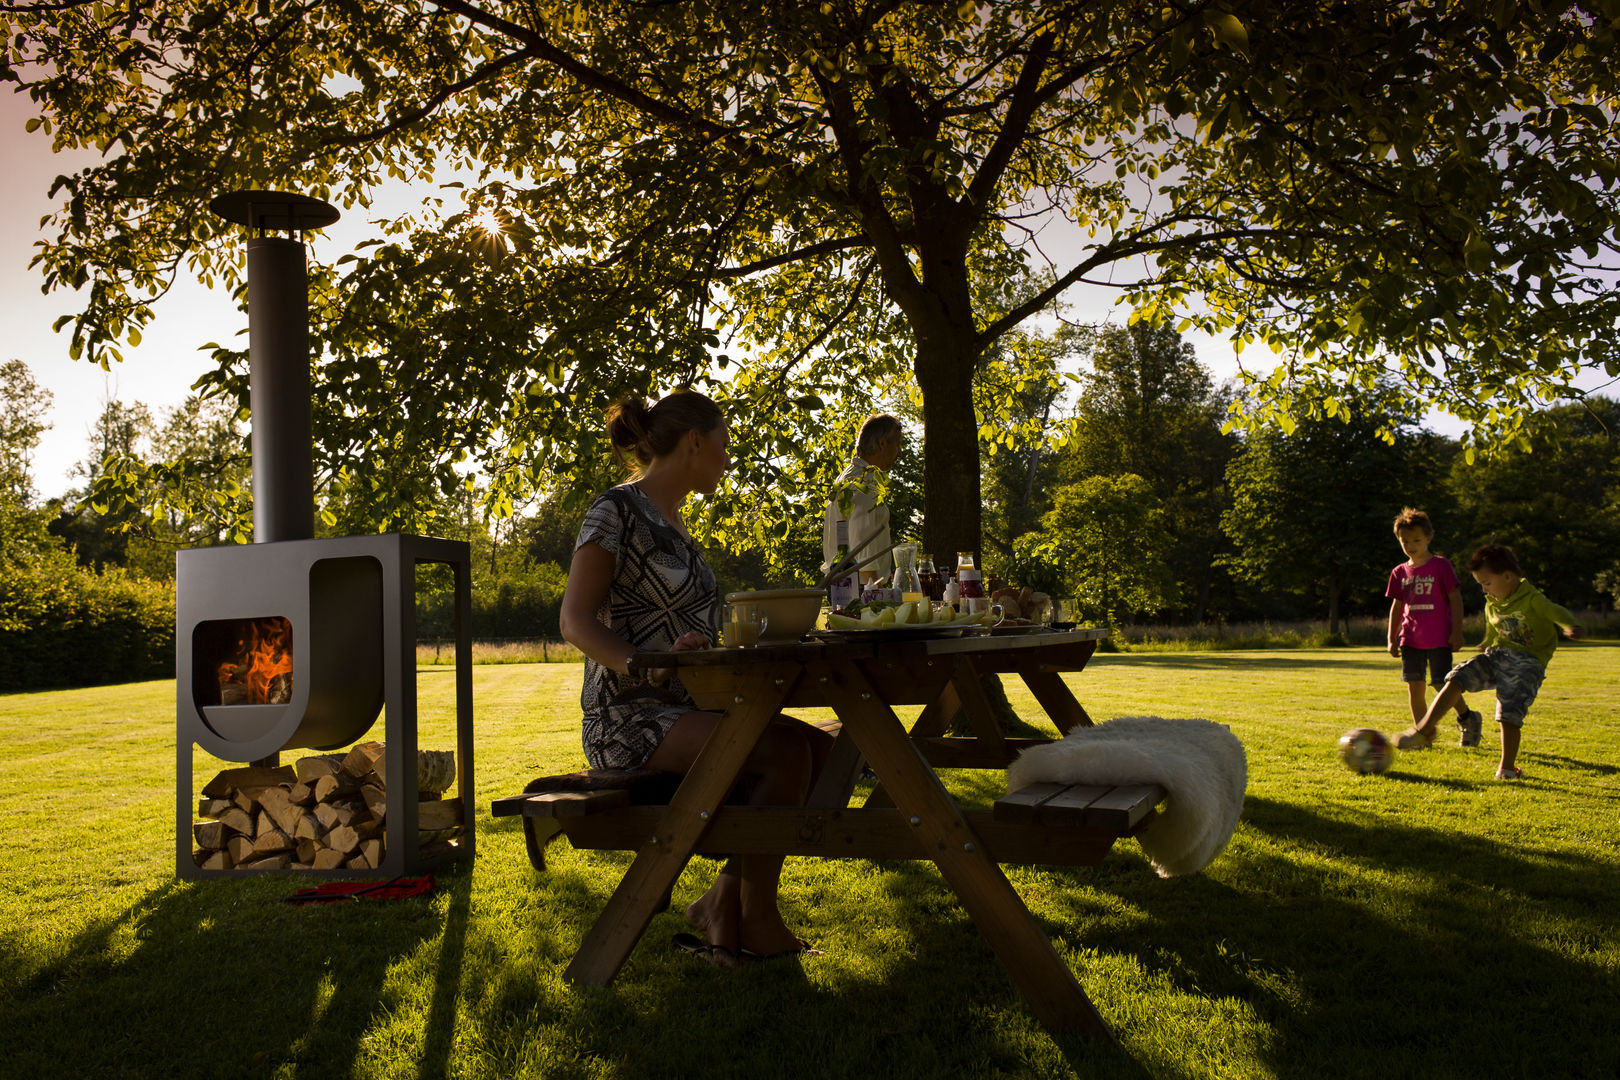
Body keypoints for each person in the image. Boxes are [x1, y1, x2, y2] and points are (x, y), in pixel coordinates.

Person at [559, 389, 832, 964]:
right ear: (695, 442)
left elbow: (674, 623)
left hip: (690, 711)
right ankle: (755, 916)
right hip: (628, 718)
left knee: (828, 754)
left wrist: (693, 647)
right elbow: (575, 620)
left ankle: (721, 900)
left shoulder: (678, 526)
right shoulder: (616, 511)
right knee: (784, 752)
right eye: (725, 445)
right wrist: (645, 662)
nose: (728, 458)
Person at [1394, 543, 1584, 779]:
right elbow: (1495, 628)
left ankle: (1506, 768)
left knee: (1509, 711)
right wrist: (1487, 642)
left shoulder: (1532, 599)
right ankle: (1423, 729)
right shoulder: (1492, 602)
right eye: (1481, 584)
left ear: (1507, 576)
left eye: (1487, 583)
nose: (1484, 590)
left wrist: (1571, 625)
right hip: (1498, 655)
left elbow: (1555, 611)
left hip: (1528, 662)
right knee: (1456, 677)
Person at [1384, 508, 1481, 745]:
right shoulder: (1399, 572)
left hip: (1439, 637)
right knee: (1414, 686)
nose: (1410, 545)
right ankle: (1422, 735)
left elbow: (1455, 598)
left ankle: (1467, 717)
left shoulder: (1441, 566)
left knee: (1441, 684)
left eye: (1416, 540)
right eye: (1405, 541)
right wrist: (1391, 637)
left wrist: (1457, 632)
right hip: (1410, 638)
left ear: (1429, 537)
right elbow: (1397, 605)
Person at [823, 413, 903, 586]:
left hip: (843, 585)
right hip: (859, 590)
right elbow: (863, 549)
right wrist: (876, 599)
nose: (900, 454)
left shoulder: (847, 477)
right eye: (897, 445)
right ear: (882, 444)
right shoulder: (863, 483)